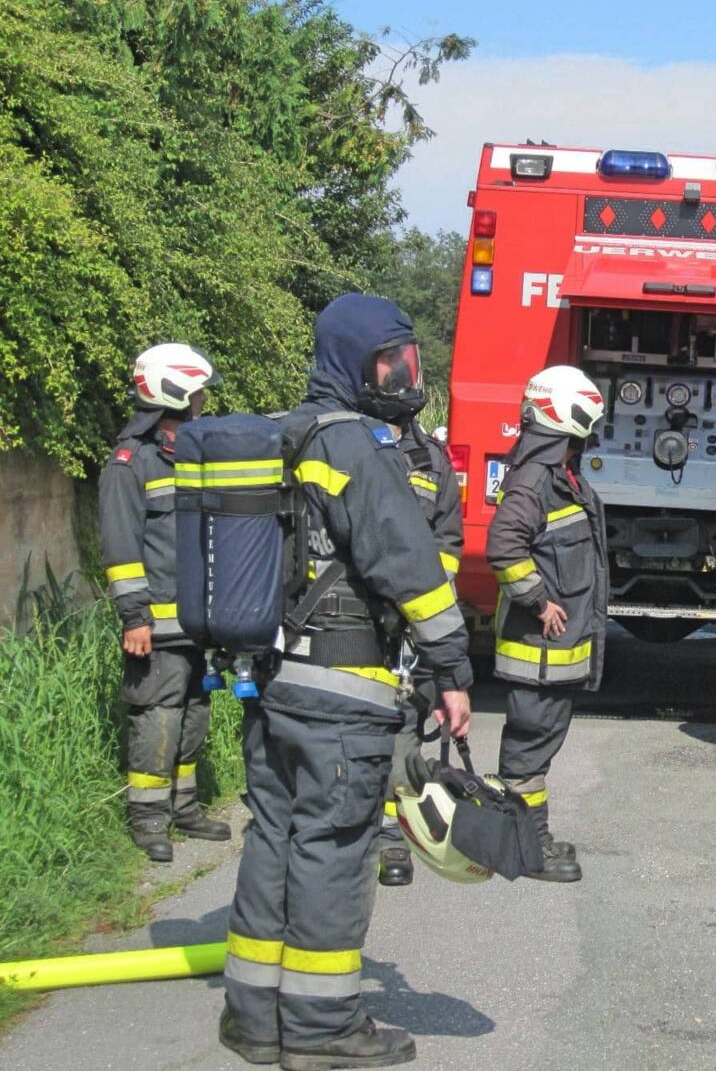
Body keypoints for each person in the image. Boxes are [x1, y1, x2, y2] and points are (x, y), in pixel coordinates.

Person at [220, 294, 473, 1070]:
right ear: (350, 362)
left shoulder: (285, 432)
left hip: (274, 680)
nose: (402, 373)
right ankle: (324, 1028)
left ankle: (254, 1018)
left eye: (407, 358)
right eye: (387, 359)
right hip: (345, 688)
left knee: (275, 835)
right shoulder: (357, 447)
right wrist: (453, 667)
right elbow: (410, 565)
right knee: (334, 847)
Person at [100, 343, 231, 863]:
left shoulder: (192, 454)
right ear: (173, 392)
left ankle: (183, 806)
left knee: (194, 713)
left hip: (198, 621)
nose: (202, 401)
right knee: (159, 716)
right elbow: (121, 546)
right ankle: (148, 818)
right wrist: (135, 617)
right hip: (153, 623)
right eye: (196, 391)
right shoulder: (131, 463)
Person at [486, 365, 608, 883]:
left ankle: (529, 837)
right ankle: (525, 846)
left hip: (551, 654)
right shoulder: (537, 479)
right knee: (530, 746)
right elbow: (503, 545)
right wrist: (538, 600)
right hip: (538, 651)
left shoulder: (557, 472)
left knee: (538, 745)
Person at [376, 406, 464, 888]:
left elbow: (448, 540)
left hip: (409, 625)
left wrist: (429, 601)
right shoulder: (349, 445)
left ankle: (393, 835)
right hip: (351, 618)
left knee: (404, 723)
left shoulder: (431, 460)